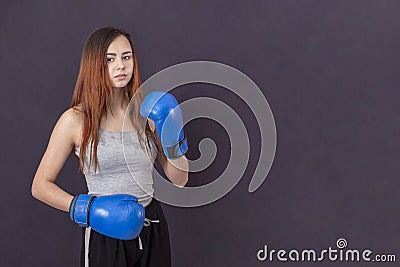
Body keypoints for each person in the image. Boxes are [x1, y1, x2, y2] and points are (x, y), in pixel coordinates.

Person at [31, 26, 189, 267]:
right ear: (94, 64)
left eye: (126, 57)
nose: (121, 66)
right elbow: (40, 185)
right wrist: (89, 210)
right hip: (105, 230)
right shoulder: (75, 120)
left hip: (152, 226)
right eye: (110, 59)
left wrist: (172, 134)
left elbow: (180, 179)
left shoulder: (147, 113)